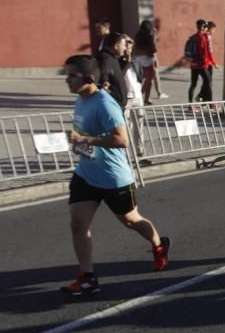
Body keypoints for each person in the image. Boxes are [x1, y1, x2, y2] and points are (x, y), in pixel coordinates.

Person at [60, 55, 170, 296]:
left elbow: (122, 140)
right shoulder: (81, 99)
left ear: (88, 78)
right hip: (86, 174)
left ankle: (159, 244)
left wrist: (84, 140)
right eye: (66, 74)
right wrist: (79, 145)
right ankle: (88, 277)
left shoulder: (104, 104)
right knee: (78, 224)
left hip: (113, 177)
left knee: (131, 220)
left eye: (72, 75)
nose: (66, 79)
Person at [95, 31, 128, 109]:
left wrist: (127, 62)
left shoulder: (112, 57)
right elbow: (103, 75)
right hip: (112, 105)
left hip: (117, 104)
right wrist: (105, 84)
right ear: (116, 46)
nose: (125, 48)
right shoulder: (105, 58)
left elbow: (118, 75)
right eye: (124, 45)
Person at [187, 19, 215, 103]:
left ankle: (190, 105)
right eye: (205, 26)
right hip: (202, 64)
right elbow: (205, 52)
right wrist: (208, 62)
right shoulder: (202, 37)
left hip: (193, 64)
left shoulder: (193, 36)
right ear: (203, 27)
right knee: (208, 83)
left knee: (193, 84)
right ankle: (209, 104)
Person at [132, 20, 159, 105]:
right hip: (148, 60)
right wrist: (155, 36)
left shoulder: (137, 36)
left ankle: (142, 96)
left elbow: (135, 49)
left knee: (139, 80)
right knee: (149, 80)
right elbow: (154, 49)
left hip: (138, 59)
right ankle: (146, 98)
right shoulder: (150, 36)